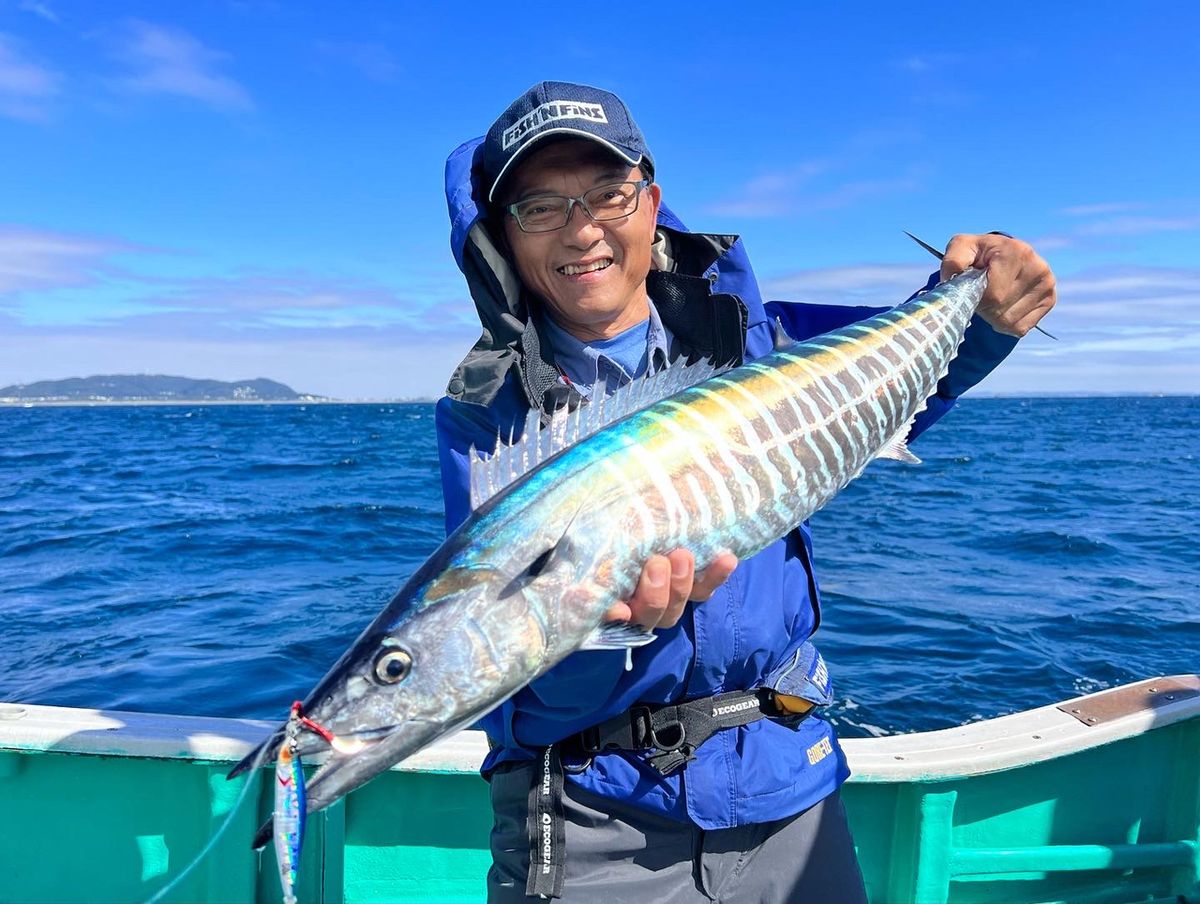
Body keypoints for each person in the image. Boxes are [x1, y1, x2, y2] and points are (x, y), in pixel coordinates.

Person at [434, 81, 1056, 903]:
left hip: (785, 783)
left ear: (650, 204)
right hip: (593, 818)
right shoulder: (489, 418)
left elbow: (876, 395)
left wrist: (988, 304)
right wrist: (602, 637)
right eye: (540, 207)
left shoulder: (756, 336)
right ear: (504, 239)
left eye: (608, 194)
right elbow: (514, 671)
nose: (582, 229)